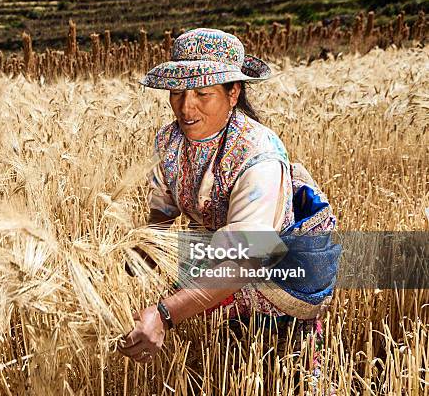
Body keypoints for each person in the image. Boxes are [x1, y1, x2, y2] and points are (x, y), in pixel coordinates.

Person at [117, 28, 341, 384]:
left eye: (203, 93)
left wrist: (164, 313)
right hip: (221, 257)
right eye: (177, 92)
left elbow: (242, 262)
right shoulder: (169, 141)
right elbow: (160, 217)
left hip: (278, 274)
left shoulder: (259, 157)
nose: (186, 107)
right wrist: (124, 268)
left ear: (233, 92)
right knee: (231, 365)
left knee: (287, 367)